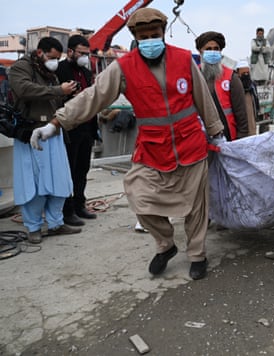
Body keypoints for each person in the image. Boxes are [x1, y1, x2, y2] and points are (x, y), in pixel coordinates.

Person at [29, 8, 224, 280]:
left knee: (196, 207)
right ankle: (166, 245)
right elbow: (93, 97)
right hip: (152, 148)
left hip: (190, 144)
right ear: (135, 37)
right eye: (144, 37)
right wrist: (55, 122)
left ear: (163, 34)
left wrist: (216, 131)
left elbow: (202, 96)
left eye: (155, 35)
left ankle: (197, 255)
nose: (150, 41)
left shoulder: (183, 59)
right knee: (139, 197)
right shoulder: (123, 67)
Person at [8, 37, 82, 244]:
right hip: (30, 133)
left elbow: (54, 99)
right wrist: (59, 90)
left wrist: (67, 94)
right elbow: (24, 90)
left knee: (58, 180)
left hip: (53, 132)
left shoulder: (49, 73)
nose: (54, 62)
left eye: (57, 59)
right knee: (33, 184)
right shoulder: (20, 68)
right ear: (40, 52)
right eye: (51, 57)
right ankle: (33, 227)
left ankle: (56, 223)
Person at [56, 35, 98, 226]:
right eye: (82, 53)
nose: (84, 57)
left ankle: (80, 204)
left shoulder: (87, 73)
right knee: (69, 169)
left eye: (87, 54)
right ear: (70, 51)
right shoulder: (61, 70)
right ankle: (67, 209)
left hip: (87, 126)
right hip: (70, 127)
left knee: (82, 168)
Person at [195, 31, 248, 141]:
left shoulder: (231, 78)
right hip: (200, 139)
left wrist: (241, 139)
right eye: (208, 49)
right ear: (200, 51)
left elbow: (241, 114)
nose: (213, 52)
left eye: (216, 49)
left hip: (228, 137)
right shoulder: (193, 76)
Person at [235, 59, 259, 136]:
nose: (246, 75)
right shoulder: (234, 87)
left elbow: (256, 102)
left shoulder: (252, 87)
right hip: (241, 126)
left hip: (252, 123)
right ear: (238, 73)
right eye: (243, 73)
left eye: (247, 73)